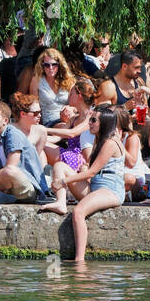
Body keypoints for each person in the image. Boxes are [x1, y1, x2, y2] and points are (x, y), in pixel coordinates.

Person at [42, 109, 125, 262]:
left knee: (79, 212)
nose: (89, 124)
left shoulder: (110, 142)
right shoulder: (99, 139)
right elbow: (90, 168)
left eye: (93, 120)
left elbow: (91, 173)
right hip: (95, 186)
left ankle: (79, 260)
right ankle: (61, 203)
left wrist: (63, 182)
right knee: (60, 166)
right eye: (90, 120)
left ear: (104, 123)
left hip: (110, 189)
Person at [26, 47, 75, 126]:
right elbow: (34, 106)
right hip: (50, 121)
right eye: (47, 65)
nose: (51, 68)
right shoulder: (36, 81)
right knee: (63, 126)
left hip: (69, 118)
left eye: (54, 64)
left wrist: (71, 108)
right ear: (42, 66)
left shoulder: (69, 80)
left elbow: (77, 104)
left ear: (59, 65)